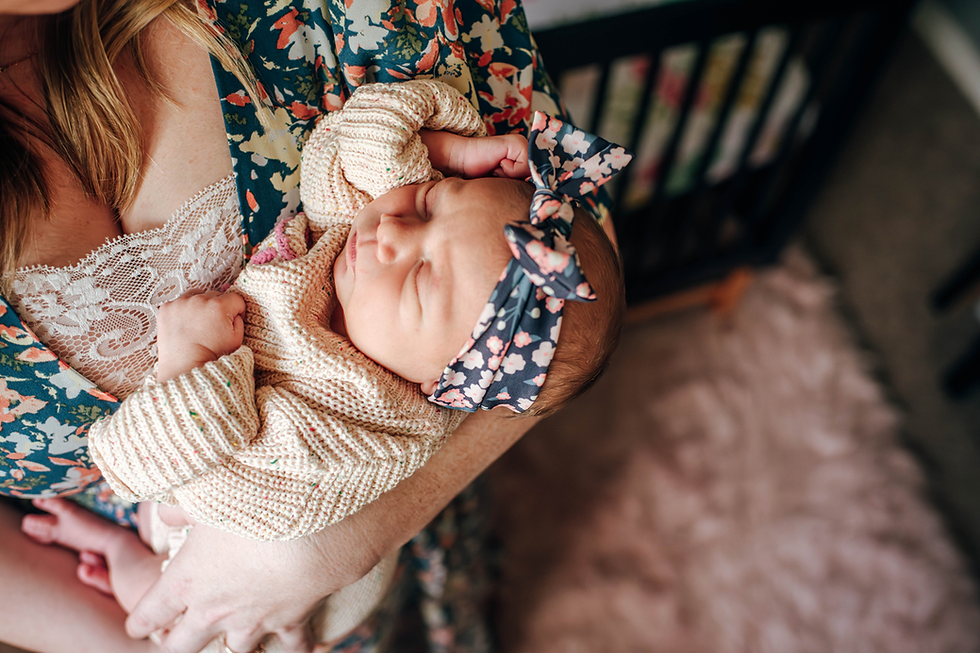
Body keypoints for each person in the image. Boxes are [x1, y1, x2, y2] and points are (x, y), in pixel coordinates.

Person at [0, 2, 620, 652]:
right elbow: (339, 167)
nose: (390, 233)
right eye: (432, 201)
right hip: (169, 592)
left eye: (418, 277)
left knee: (158, 590)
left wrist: (197, 367)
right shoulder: (368, 274)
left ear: (443, 381)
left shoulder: (354, 417)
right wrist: (427, 146)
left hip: (212, 516)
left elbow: (169, 463)